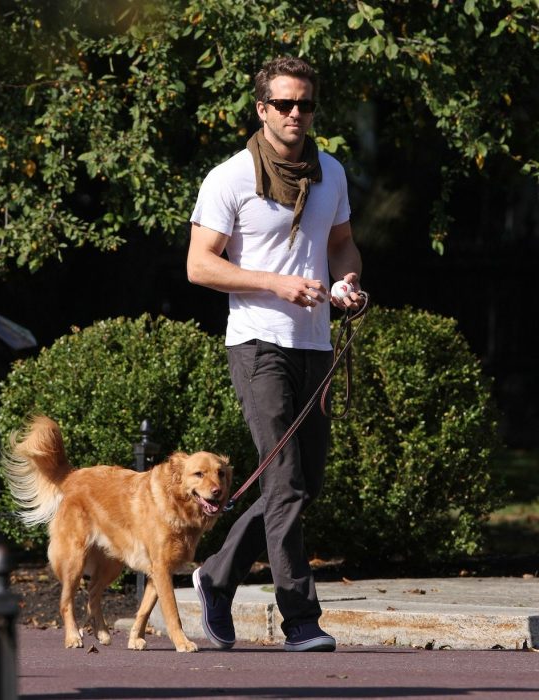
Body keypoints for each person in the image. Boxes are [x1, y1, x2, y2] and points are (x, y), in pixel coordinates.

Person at [187, 56, 363, 652]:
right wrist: (276, 282)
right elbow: (199, 264)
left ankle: (215, 576)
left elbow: (340, 243)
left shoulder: (331, 172)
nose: (296, 114)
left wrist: (347, 283)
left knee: (301, 484)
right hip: (258, 343)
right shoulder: (230, 177)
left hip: (316, 342)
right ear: (261, 108)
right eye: (284, 104)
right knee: (283, 479)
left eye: (305, 104)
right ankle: (301, 619)